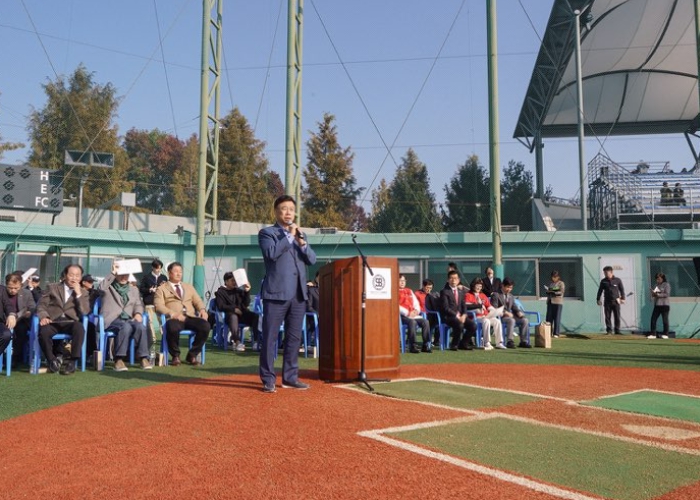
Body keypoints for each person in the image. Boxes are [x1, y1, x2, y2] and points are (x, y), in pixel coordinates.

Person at [258, 195, 317, 393]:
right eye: (284, 208)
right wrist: (289, 236)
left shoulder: (301, 235)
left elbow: (312, 260)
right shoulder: (267, 233)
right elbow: (271, 254)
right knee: (270, 338)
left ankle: (290, 378)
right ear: (276, 212)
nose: (288, 212)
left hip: (298, 294)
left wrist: (303, 244)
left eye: (291, 209)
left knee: (293, 338)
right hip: (276, 293)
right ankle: (268, 379)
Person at [36, 264, 90, 375]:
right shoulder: (52, 287)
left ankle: (72, 361)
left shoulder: (83, 292)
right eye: (71, 275)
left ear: (81, 277)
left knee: (79, 328)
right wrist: (44, 316)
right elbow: (41, 305)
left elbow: (85, 311)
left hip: (70, 322)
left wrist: (78, 294)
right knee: (44, 331)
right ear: (65, 275)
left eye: (77, 276)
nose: (74, 278)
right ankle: (51, 360)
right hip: (53, 321)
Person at [153, 261, 210, 366]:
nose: (179, 274)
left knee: (205, 326)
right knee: (172, 327)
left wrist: (202, 310)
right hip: (174, 318)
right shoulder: (161, 289)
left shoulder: (189, 287)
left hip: (190, 317)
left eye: (180, 271)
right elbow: (158, 306)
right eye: (176, 271)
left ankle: (192, 355)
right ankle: (175, 356)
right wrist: (172, 313)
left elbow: (198, 301)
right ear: (169, 273)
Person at [99, 265, 152, 371]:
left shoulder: (134, 289)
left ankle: (143, 358)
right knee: (125, 326)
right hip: (111, 319)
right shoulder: (108, 287)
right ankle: (119, 359)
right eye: (121, 275)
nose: (124, 277)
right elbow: (101, 288)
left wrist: (138, 313)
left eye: (126, 275)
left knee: (140, 327)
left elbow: (138, 304)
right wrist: (113, 273)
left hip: (128, 318)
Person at [214, 271, 260, 352]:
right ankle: (237, 342)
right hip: (229, 316)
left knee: (255, 316)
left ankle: (256, 342)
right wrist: (234, 309)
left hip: (242, 314)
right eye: (232, 280)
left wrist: (247, 291)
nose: (234, 282)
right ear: (226, 281)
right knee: (233, 317)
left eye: (235, 280)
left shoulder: (238, 291)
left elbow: (246, 303)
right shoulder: (220, 292)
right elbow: (221, 306)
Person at [1, 273, 36, 369]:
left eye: (16, 288)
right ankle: (4, 356)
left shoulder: (26, 293)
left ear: (21, 285)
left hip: (21, 320)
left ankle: (15, 357)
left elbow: (33, 306)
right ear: (6, 284)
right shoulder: (2, 292)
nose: (13, 290)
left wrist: (29, 311)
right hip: (4, 320)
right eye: (10, 288)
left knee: (21, 330)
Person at [439, 270, 476, 351]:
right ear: (448, 280)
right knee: (459, 325)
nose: (453, 280)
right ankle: (454, 344)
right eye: (451, 278)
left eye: (455, 278)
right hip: (449, 317)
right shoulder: (444, 292)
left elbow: (463, 305)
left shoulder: (461, 291)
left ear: (458, 280)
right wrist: (456, 316)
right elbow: (445, 308)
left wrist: (464, 315)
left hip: (460, 316)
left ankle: (463, 344)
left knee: (473, 326)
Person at [464, 277, 504, 350]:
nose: (479, 287)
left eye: (480, 286)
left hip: (486, 316)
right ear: (473, 285)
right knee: (486, 321)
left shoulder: (483, 295)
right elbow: (466, 306)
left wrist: (496, 311)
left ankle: (499, 343)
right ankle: (487, 342)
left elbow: (489, 306)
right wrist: (477, 309)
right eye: (477, 285)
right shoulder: (468, 295)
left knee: (497, 321)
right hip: (475, 317)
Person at [490, 277, 531, 348]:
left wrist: (518, 312)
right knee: (511, 320)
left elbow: (514, 307)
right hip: (501, 316)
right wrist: (505, 312)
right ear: (502, 285)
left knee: (525, 320)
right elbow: (494, 307)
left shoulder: (511, 296)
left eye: (511, 288)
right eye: (507, 287)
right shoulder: (496, 294)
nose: (509, 289)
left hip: (510, 316)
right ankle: (510, 341)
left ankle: (523, 341)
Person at [398, 274, 431, 353]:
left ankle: (425, 345)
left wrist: (416, 310)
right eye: (400, 280)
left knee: (426, 322)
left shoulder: (409, 291)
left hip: (413, 315)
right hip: (401, 316)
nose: (402, 282)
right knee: (413, 322)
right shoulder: (393, 291)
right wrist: (407, 313)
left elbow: (416, 303)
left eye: (404, 281)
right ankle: (412, 346)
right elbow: (396, 305)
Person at [139, 259, 168, 347]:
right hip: (149, 302)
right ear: (153, 268)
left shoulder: (164, 277)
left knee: (162, 320)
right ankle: (152, 338)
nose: (159, 270)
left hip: (160, 302)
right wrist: (150, 290)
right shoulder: (146, 277)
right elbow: (141, 289)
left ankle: (164, 336)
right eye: (157, 268)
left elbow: (168, 289)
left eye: (160, 268)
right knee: (150, 321)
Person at [596, 266, 625, 335]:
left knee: (617, 316)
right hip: (607, 301)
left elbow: (621, 289)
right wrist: (598, 299)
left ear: (611, 272)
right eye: (604, 273)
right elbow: (600, 291)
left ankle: (617, 330)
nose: (605, 274)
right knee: (607, 316)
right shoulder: (603, 281)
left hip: (616, 301)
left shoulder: (617, 280)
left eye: (606, 273)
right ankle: (609, 330)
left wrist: (623, 298)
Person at [414, 279, 440, 344]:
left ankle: (436, 340)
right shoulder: (417, 294)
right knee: (430, 321)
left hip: (431, 314)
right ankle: (426, 341)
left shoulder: (432, 295)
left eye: (430, 288)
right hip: (421, 314)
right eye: (427, 287)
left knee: (439, 320)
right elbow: (415, 306)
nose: (429, 289)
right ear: (423, 286)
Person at [648, 272, 670, 339]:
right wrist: (653, 294)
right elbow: (654, 295)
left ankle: (666, 334)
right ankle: (653, 334)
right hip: (657, 305)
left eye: (659, 279)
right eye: (657, 279)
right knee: (653, 319)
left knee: (665, 320)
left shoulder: (666, 285)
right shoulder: (656, 285)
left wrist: (658, 295)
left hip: (665, 305)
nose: (658, 280)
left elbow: (667, 294)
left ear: (663, 278)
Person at [545, 270, 566, 338]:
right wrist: (548, 291)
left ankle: (556, 333)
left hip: (557, 302)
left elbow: (561, 291)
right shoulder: (551, 283)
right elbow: (548, 290)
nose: (553, 278)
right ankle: (548, 332)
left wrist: (554, 291)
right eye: (552, 277)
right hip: (550, 301)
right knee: (549, 318)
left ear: (558, 277)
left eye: (555, 277)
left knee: (557, 318)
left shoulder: (561, 283)